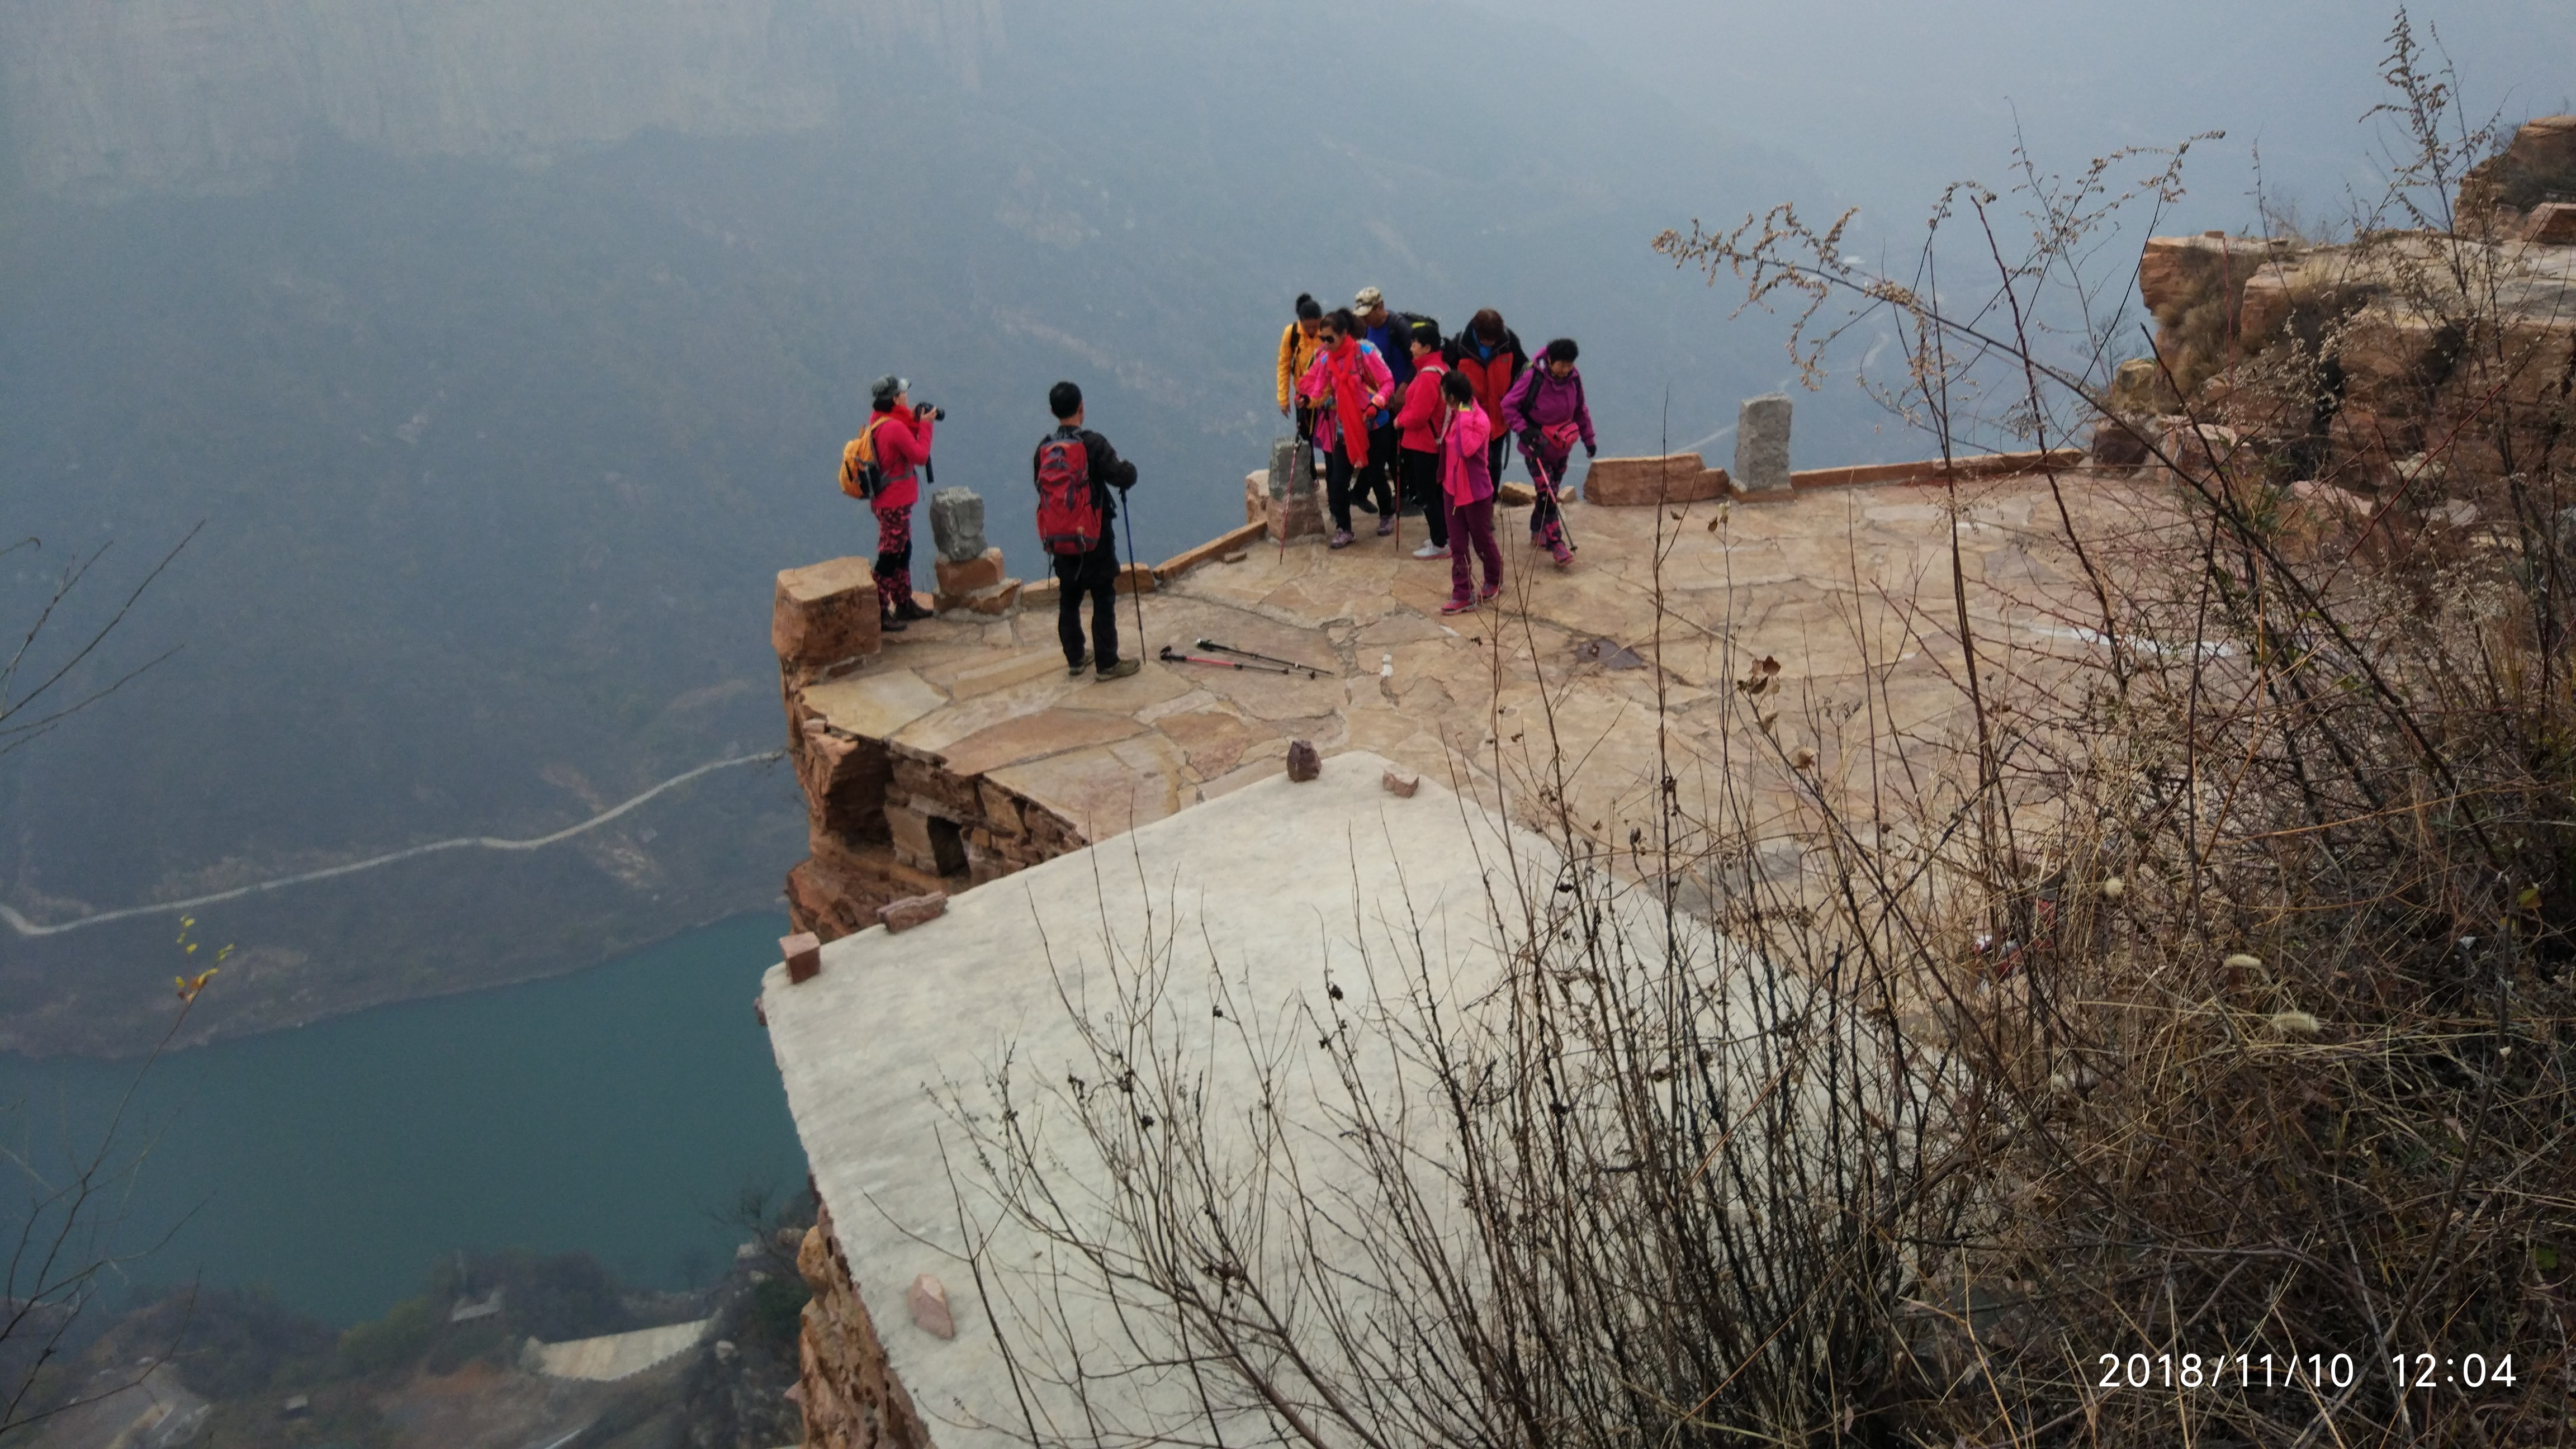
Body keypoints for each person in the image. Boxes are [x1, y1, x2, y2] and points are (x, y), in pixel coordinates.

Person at [1033, 380, 1143, 679]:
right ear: (1082, 407)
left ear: (1052, 411)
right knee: (1103, 596)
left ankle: (1076, 657)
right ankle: (1107, 663)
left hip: (1060, 537)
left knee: (1069, 597)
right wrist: (1130, 469)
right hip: (1094, 536)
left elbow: (1040, 487)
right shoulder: (1092, 444)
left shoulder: (1044, 449)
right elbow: (1120, 475)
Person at [1297, 309, 1394, 548]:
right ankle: (1344, 528)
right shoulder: (1325, 361)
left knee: (1375, 475)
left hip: (1373, 425)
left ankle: (1386, 514)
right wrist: (1307, 401)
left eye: (1330, 339)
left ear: (1344, 334)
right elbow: (1321, 391)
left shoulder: (1365, 353)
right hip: (1345, 428)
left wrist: (1376, 404)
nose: (1326, 344)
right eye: (1323, 339)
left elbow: (1387, 382)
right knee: (1338, 481)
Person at [1500, 338, 1597, 567]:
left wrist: (1589, 439)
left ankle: (1537, 530)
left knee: (1550, 492)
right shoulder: (1533, 377)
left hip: (1562, 446)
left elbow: (1580, 409)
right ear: (1550, 360)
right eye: (1561, 364)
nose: (1565, 369)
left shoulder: (1574, 380)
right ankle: (1558, 545)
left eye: (1569, 365)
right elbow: (1508, 405)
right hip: (1537, 447)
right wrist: (1524, 431)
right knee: (1548, 495)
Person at [860, 374, 939, 629]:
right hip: (894, 501)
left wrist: (916, 419)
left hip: (889, 500)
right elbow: (919, 455)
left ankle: (903, 602)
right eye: (903, 393)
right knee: (890, 554)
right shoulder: (893, 427)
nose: (907, 396)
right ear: (895, 399)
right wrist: (926, 426)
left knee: (903, 549)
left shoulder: (880, 420)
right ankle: (880, 609)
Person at [1437, 368, 1503, 613]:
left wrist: (1464, 416)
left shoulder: (1477, 420)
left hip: (1475, 492)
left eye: (1443, 392)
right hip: (1452, 491)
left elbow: (1465, 450)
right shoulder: (1454, 414)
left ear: (1452, 397)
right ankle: (1463, 593)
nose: (1440, 396)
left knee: (1482, 540)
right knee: (1457, 544)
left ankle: (1494, 578)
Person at [1351, 287, 1413, 529]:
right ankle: (1380, 495)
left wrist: (1404, 388)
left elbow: (1414, 360)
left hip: (1399, 397)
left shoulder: (1398, 328)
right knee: (1383, 449)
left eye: (1368, 313)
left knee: (1396, 449)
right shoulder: (1368, 329)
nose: (1365, 319)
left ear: (1381, 306)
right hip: (1378, 400)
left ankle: (1402, 495)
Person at [1445, 309, 1528, 487]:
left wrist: (1513, 400)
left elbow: (1523, 372)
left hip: (1499, 416)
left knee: (1494, 463)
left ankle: (1489, 503)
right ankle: (1471, 502)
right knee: (1472, 462)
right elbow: (1448, 379)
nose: (1491, 344)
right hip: (1469, 418)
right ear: (1477, 331)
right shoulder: (1460, 346)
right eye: (1487, 340)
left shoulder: (1509, 342)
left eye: (1494, 340)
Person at [1393, 318, 1452, 559]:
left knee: (1428, 494)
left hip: (1424, 443)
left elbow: (1419, 414)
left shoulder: (1428, 375)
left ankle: (1439, 543)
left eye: (1416, 343)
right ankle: (1444, 536)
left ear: (1427, 348)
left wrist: (1400, 421)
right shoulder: (1438, 369)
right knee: (1436, 493)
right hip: (1433, 441)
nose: (1411, 347)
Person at [1276, 293, 1326, 444]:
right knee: (1305, 440)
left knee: (1328, 440)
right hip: (1303, 396)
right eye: (1307, 327)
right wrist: (1283, 398)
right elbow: (1284, 365)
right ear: (1301, 321)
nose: (1311, 330)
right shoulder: (1292, 334)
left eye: (1315, 326)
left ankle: (1332, 469)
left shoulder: (1327, 331)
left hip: (1326, 393)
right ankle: (1309, 469)